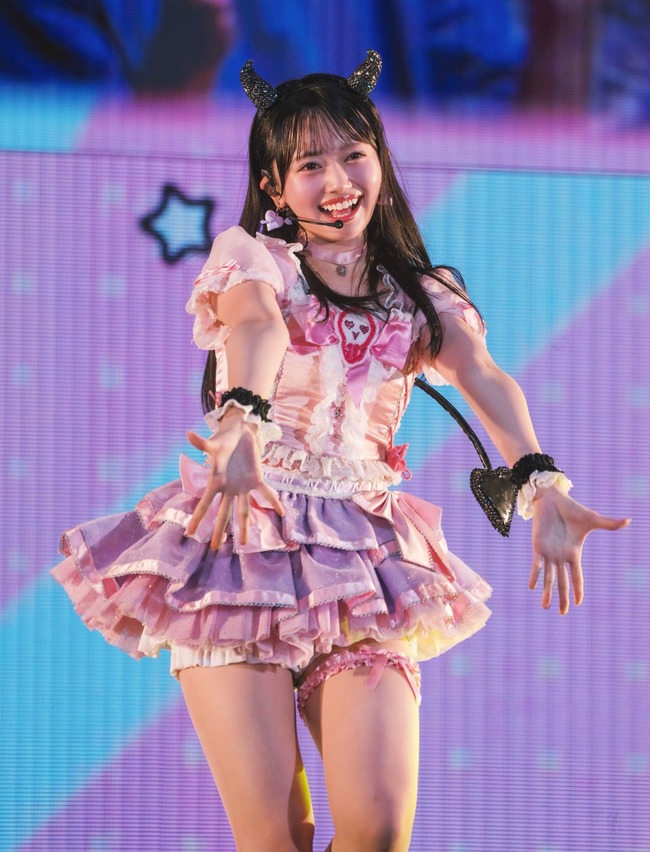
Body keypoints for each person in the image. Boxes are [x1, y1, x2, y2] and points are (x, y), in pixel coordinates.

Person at [52, 50, 630, 852]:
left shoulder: (421, 292)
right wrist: (241, 421)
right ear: (273, 187)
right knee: (275, 840)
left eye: (353, 155)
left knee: (379, 830)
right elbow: (256, 326)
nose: (337, 181)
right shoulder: (254, 258)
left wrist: (540, 481)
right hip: (239, 542)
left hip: (366, 559)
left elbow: (482, 373)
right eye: (310, 165)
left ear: (380, 163)